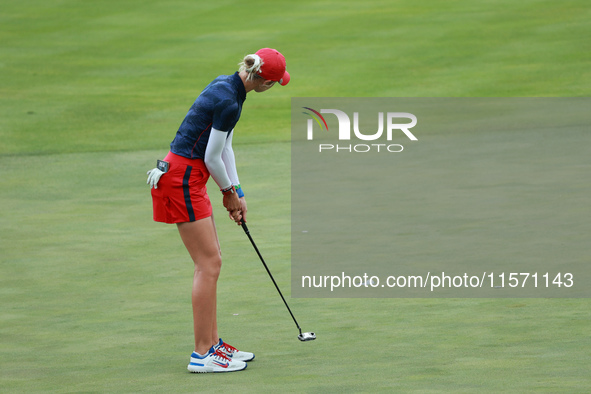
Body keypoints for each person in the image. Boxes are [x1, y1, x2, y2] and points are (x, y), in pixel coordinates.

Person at [146, 48, 290, 373]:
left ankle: (213, 345)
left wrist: (238, 191)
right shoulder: (228, 100)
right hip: (182, 177)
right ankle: (202, 355)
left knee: (213, 260)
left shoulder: (230, 89)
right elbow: (212, 157)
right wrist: (227, 193)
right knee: (207, 263)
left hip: (189, 176)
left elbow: (225, 148)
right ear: (265, 82)